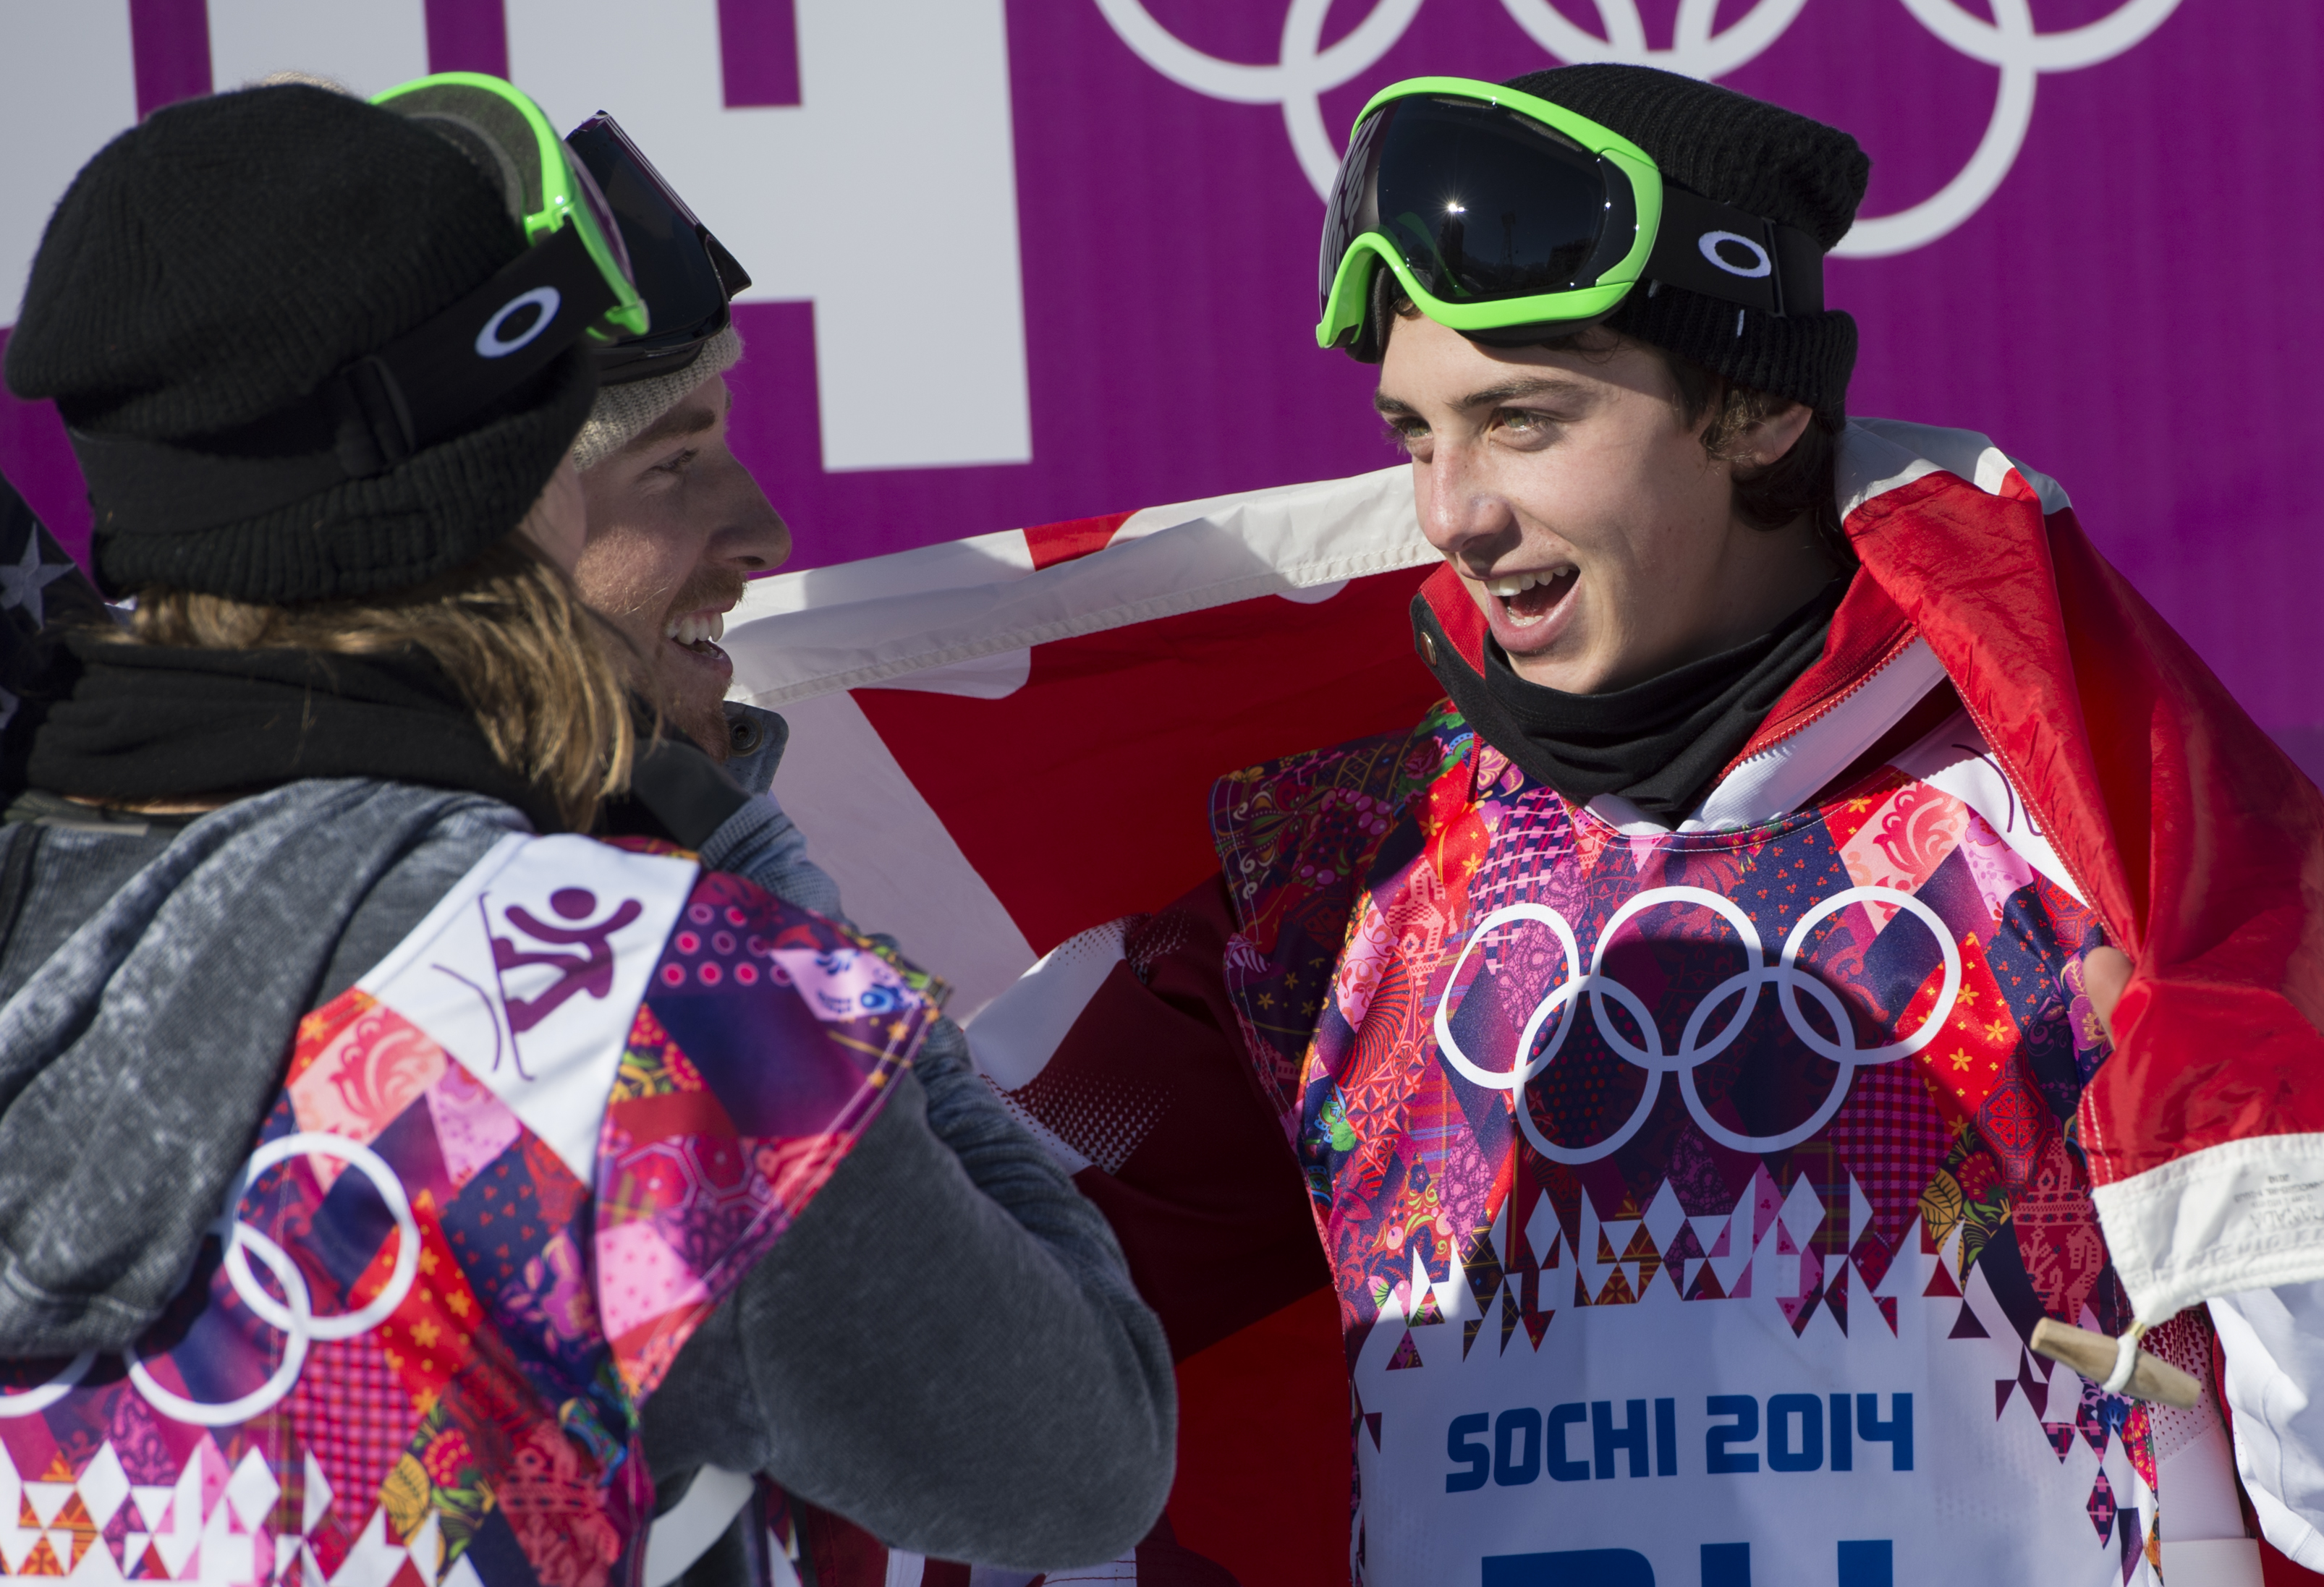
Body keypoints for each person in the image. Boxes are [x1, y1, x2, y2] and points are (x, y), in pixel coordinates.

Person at [962, 65, 2324, 1585]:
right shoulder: (1340, 877)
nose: (1451, 511)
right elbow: (933, 1324)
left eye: (1520, 420)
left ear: (1758, 407)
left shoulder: (2114, 853)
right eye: (1416, 433)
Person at [0, 77, 1172, 1587]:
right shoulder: (619, 1001)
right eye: (643, 457)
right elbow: (1075, 1453)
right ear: (492, 507)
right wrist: (777, 922)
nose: (762, 527)